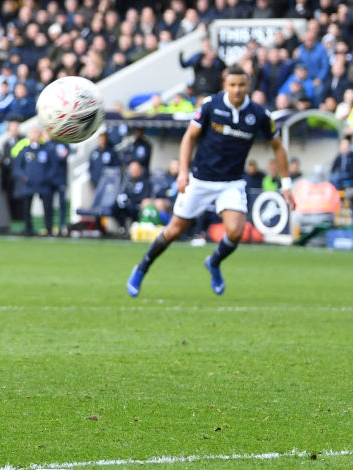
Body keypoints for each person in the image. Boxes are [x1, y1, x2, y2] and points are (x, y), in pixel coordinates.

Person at [127, 65, 296, 297]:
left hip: (231, 182)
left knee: (235, 232)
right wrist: (183, 172)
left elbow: (278, 147)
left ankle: (214, 262)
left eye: (242, 85)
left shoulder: (259, 114)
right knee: (174, 230)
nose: (237, 90)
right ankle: (142, 267)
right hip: (200, 179)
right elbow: (189, 137)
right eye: (232, 85)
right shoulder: (210, 105)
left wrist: (286, 185)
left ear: (249, 85)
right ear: (225, 85)